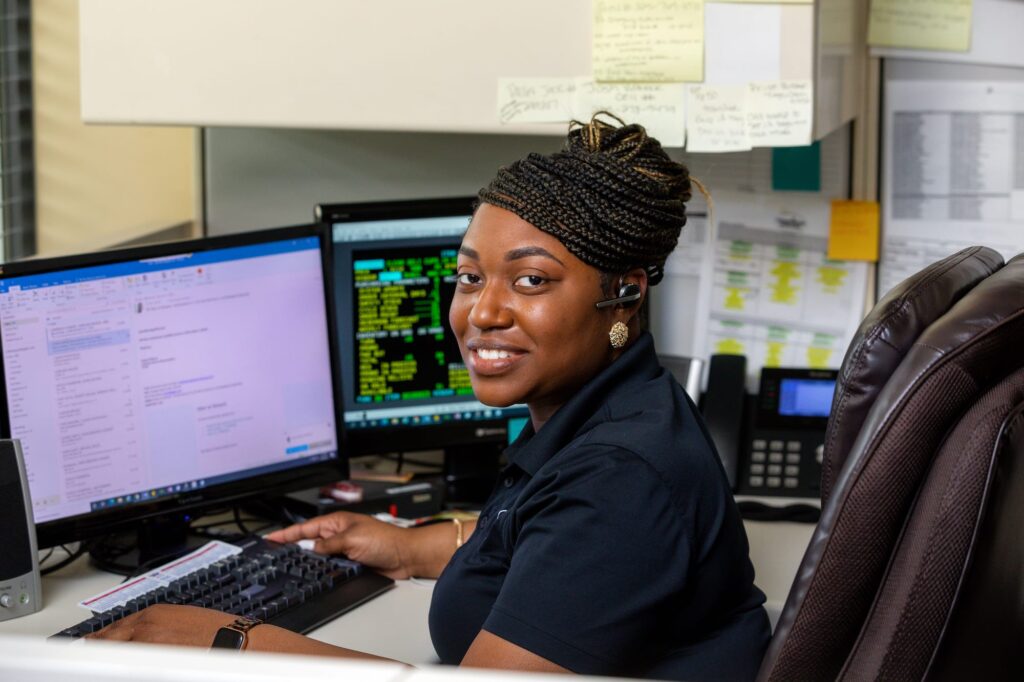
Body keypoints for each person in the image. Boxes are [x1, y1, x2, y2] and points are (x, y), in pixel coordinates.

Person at [92, 114, 771, 680]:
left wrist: (231, 641)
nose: (483, 312)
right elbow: (548, 540)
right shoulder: (614, 410)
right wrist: (416, 547)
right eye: (470, 277)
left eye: (531, 281)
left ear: (623, 291)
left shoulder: (621, 478)